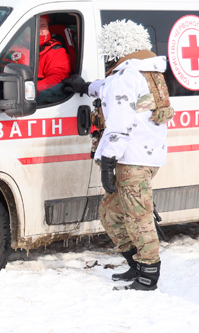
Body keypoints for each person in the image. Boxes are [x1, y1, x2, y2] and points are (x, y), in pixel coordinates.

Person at [64, 20, 173, 291]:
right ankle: (136, 265)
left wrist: (107, 162)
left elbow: (119, 124)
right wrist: (87, 86)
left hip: (130, 158)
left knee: (138, 216)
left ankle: (148, 275)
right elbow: (111, 89)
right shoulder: (146, 73)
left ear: (114, 49)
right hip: (147, 156)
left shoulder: (124, 78)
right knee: (111, 213)